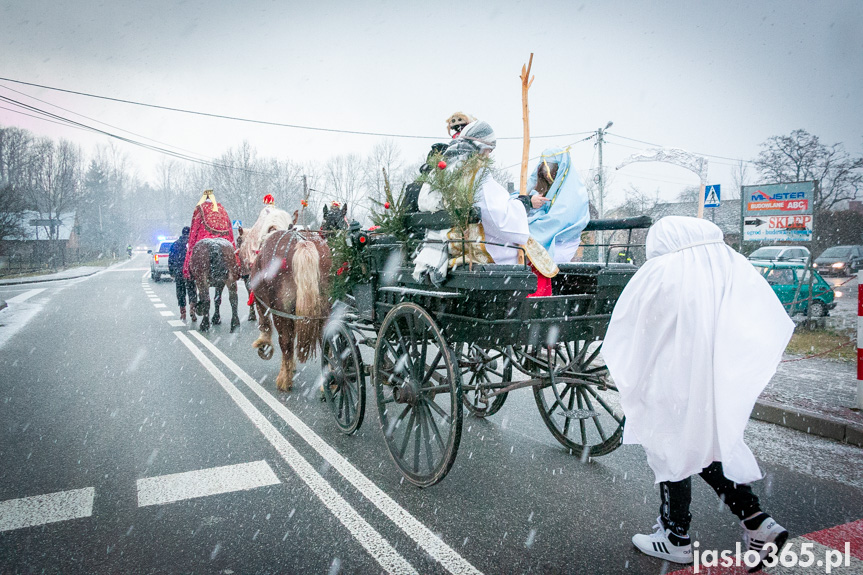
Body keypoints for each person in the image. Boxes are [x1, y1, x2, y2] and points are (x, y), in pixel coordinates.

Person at [602, 216, 793, 570]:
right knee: (704, 443)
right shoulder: (727, 265)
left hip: (671, 376)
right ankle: (755, 519)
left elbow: (635, 329)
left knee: (672, 446)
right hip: (712, 373)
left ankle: (675, 536)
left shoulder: (662, 272)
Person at [413, 120, 530, 283]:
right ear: (482, 148)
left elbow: (425, 203)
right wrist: (521, 206)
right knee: (533, 258)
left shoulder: (444, 171)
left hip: (452, 242)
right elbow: (500, 219)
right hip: (476, 246)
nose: (489, 155)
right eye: (489, 149)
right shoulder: (476, 174)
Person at [520, 147, 590, 264]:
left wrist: (526, 226)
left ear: (560, 170)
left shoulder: (574, 193)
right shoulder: (540, 189)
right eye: (544, 172)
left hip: (562, 244)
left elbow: (558, 222)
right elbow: (513, 201)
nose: (547, 176)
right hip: (538, 247)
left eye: (550, 170)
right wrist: (529, 201)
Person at [168, 226, 196, 321]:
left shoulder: (175, 244)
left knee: (180, 292)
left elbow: (171, 258)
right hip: (190, 271)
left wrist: (172, 271)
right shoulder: (192, 244)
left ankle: (182, 312)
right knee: (192, 290)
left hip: (179, 272)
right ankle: (192, 309)